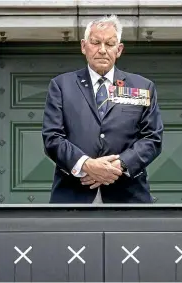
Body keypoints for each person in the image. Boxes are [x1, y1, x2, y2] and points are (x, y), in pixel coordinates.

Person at [41, 15, 163, 203]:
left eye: (110, 43)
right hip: (72, 196)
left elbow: (152, 138)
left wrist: (119, 165)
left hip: (129, 197)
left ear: (119, 49)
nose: (103, 50)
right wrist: (86, 165)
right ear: (84, 46)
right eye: (96, 42)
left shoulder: (141, 87)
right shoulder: (61, 85)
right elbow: (52, 137)